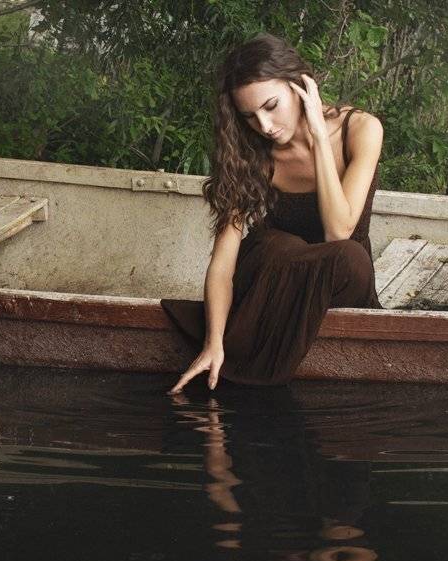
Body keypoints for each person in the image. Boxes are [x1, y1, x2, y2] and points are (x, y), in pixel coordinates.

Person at [163, 34, 384, 393]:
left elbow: (338, 231)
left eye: (271, 106)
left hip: (341, 277)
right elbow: (223, 265)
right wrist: (213, 341)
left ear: (300, 86)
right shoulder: (252, 155)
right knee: (276, 243)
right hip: (274, 271)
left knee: (349, 256)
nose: (264, 126)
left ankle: (248, 354)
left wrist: (318, 137)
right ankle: (233, 354)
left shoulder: (360, 130)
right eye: (250, 117)